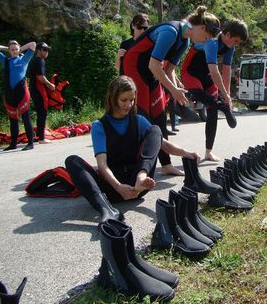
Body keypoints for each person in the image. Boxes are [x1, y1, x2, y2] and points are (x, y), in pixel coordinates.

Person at [65, 75, 200, 208]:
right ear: (113, 99)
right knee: (72, 161)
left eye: (131, 100)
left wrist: (186, 153)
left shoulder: (138, 120)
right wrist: (118, 187)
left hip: (138, 185)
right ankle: (104, 209)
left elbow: (163, 144)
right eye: (124, 100)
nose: (128, 105)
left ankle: (141, 176)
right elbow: (102, 165)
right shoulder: (99, 126)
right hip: (113, 189)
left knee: (155, 130)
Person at [122, 6, 221, 176]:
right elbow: (154, 65)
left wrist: (178, 87)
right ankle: (134, 165)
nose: (204, 42)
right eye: (205, 38)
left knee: (160, 116)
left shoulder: (186, 40)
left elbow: (168, 70)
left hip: (152, 71)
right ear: (201, 28)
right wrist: (173, 90)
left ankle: (166, 165)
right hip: (135, 67)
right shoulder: (170, 32)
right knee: (145, 119)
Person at [181, 19, 248, 161]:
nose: (236, 44)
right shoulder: (212, 41)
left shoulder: (230, 47)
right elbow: (215, 70)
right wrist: (224, 97)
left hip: (206, 75)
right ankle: (223, 108)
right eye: (235, 41)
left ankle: (208, 152)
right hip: (191, 72)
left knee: (212, 112)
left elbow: (226, 69)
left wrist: (227, 94)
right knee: (199, 94)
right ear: (227, 34)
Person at [0, 40, 36, 151]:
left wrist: (20, 48)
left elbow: (33, 44)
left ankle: (30, 143)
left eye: (16, 49)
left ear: (19, 49)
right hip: (10, 92)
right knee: (13, 119)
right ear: (9, 51)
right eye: (12, 50)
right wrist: (7, 48)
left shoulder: (24, 59)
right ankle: (13, 143)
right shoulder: (5, 60)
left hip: (22, 91)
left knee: (26, 117)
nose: (14, 51)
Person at [28, 42, 56, 144]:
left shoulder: (34, 61)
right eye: (44, 49)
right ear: (38, 50)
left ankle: (40, 136)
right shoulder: (40, 61)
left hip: (35, 90)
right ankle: (41, 138)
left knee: (41, 113)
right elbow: (41, 77)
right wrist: (50, 85)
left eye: (47, 49)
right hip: (39, 90)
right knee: (42, 113)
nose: (46, 52)